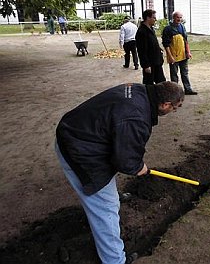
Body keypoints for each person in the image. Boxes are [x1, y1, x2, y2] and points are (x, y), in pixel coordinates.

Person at [55, 81, 184, 264]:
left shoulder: (139, 90)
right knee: (106, 207)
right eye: (175, 108)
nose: (174, 111)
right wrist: (139, 167)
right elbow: (125, 161)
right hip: (79, 147)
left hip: (79, 131)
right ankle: (114, 260)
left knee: (110, 179)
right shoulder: (136, 117)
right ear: (165, 105)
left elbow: (120, 142)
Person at [162, 11, 197, 95]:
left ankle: (188, 89)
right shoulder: (168, 29)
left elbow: (185, 40)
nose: (179, 19)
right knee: (174, 75)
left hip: (183, 55)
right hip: (173, 56)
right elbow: (166, 44)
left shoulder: (182, 27)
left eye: (181, 17)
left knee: (184, 73)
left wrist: (188, 52)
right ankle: (175, 92)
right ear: (173, 18)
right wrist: (170, 56)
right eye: (178, 17)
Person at [136, 9, 166, 84]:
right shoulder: (142, 32)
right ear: (148, 18)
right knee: (149, 84)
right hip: (149, 63)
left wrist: (158, 48)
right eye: (153, 17)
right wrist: (146, 65)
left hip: (157, 62)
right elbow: (141, 50)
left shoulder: (151, 29)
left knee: (161, 82)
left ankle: (159, 95)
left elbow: (152, 43)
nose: (155, 20)